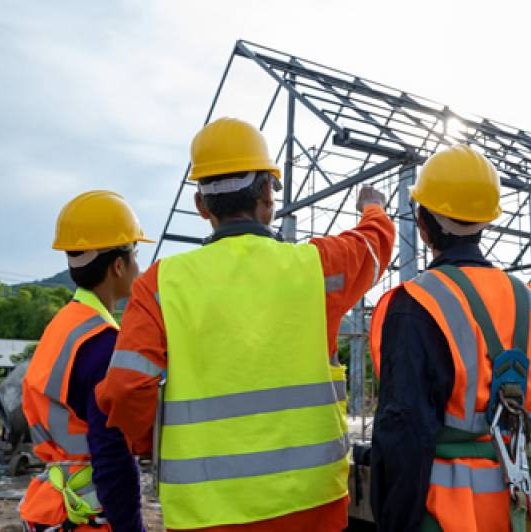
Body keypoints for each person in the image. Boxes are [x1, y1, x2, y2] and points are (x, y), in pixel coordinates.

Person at [95, 117, 396, 531]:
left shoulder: (160, 285)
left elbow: (127, 388)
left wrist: (157, 444)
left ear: (202, 207)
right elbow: (375, 244)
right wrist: (372, 206)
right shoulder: (316, 269)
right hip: (311, 504)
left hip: (206, 512)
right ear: (267, 199)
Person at [369, 145, 531, 531]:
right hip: (521, 514)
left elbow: (403, 433)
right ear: (485, 221)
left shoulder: (415, 303)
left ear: (423, 224)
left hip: (446, 517)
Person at [20, 190, 152, 531]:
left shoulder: (64, 325)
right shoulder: (103, 343)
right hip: (86, 514)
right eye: (135, 254)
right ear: (119, 265)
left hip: (56, 503)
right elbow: (111, 454)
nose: (140, 265)